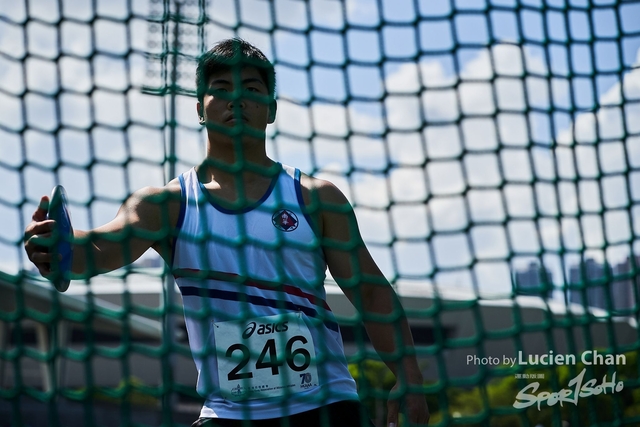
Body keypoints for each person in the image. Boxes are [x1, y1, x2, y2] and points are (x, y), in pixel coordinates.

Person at [24, 38, 429, 427]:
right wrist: (55, 246)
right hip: (230, 413)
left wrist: (408, 372)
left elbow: (371, 291)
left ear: (270, 109)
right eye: (221, 88)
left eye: (252, 88)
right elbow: (98, 248)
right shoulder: (166, 205)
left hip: (325, 405)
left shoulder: (317, 199)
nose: (236, 98)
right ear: (200, 108)